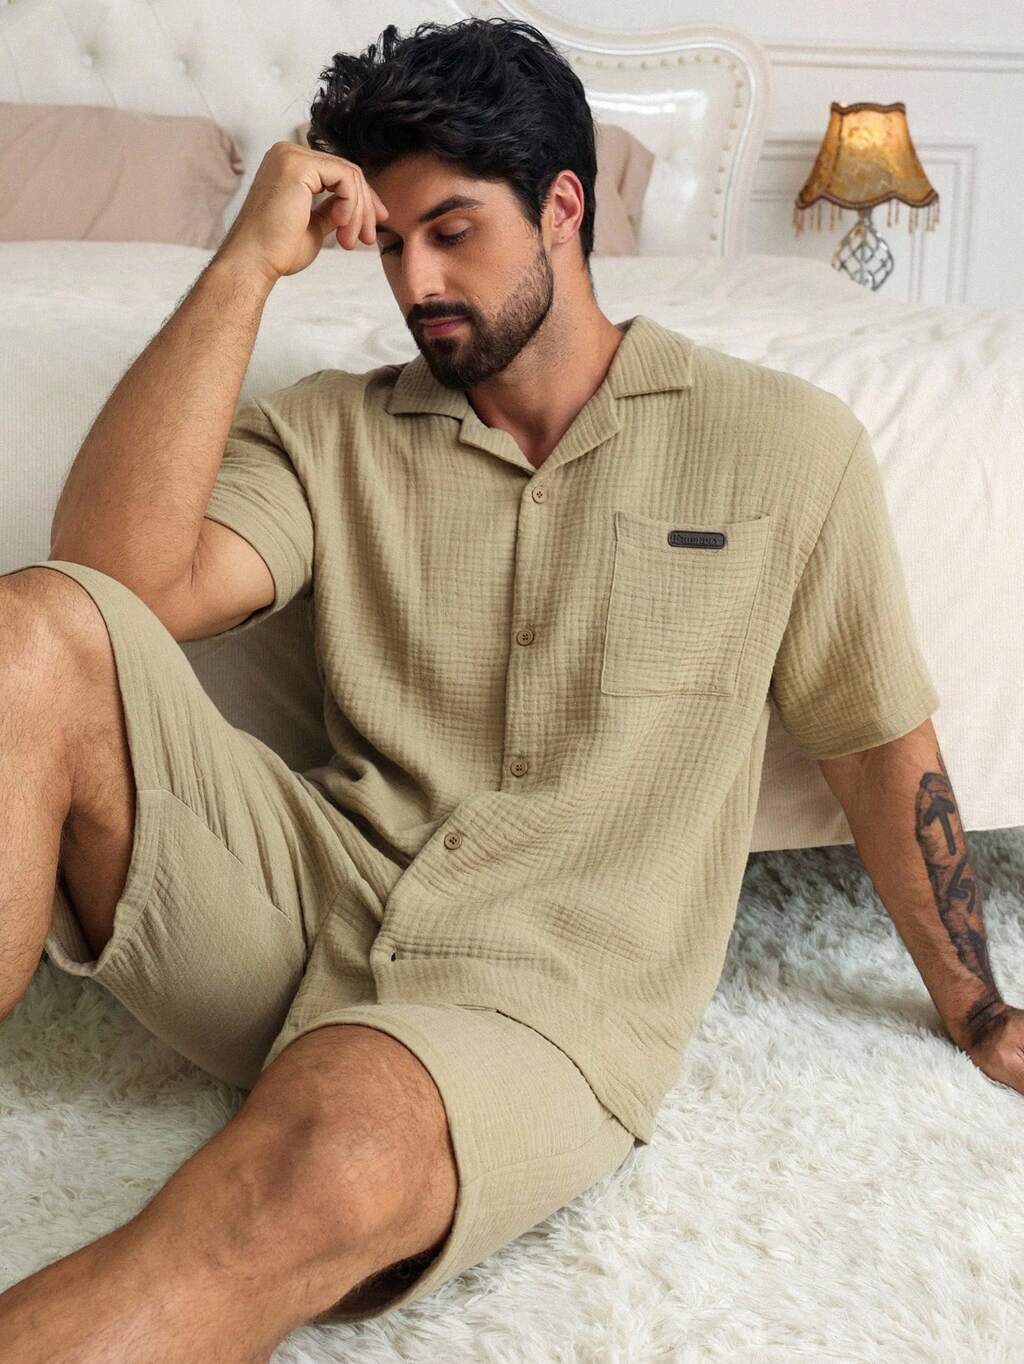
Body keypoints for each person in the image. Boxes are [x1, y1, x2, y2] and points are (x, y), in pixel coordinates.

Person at [1, 14, 1015, 1361]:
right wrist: (246, 263)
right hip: (306, 902)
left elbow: (875, 737)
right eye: (391, 242)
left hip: (544, 987)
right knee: (30, 629)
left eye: (454, 231)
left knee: (321, 1159)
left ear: (564, 209)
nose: (417, 281)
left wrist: (979, 1005)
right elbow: (113, 587)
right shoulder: (336, 426)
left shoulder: (785, 443)